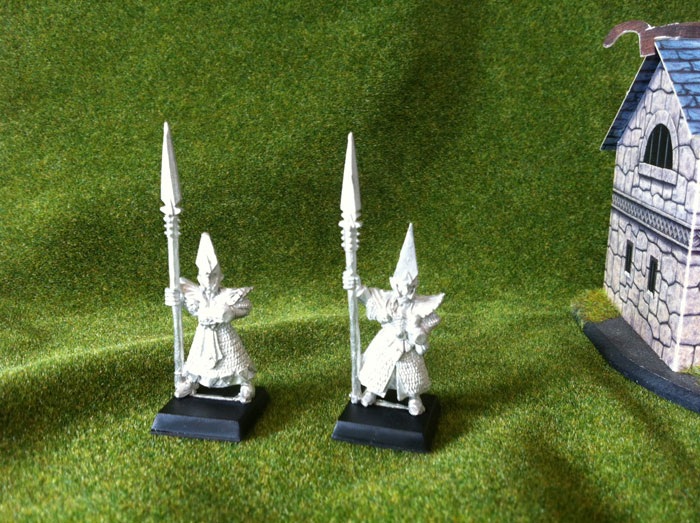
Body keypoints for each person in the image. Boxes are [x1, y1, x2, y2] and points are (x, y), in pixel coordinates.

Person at [343, 224, 444, 416]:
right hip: (387, 340)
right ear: (394, 284)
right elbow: (368, 298)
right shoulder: (387, 299)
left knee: (410, 373)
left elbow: (431, 321)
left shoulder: (419, 305)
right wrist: (354, 284)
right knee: (378, 366)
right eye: (403, 287)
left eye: (411, 288)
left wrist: (418, 334)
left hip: (407, 345)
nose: (407, 292)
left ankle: (414, 398)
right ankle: (371, 391)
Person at [165, 233, 256, 402]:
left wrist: (231, 312)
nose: (208, 280)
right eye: (205, 276)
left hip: (223, 333)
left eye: (213, 276)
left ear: (220, 277)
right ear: (199, 277)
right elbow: (190, 307)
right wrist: (176, 299)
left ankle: (245, 385)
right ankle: (191, 381)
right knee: (196, 361)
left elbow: (246, 306)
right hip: (203, 334)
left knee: (235, 360)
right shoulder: (195, 293)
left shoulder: (227, 294)